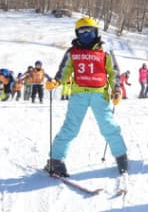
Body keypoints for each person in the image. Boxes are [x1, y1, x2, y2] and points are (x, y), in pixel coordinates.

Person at [44, 17, 128, 177]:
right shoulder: (72, 51)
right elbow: (64, 70)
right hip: (79, 94)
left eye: (89, 31)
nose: (86, 34)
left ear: (96, 31)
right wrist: (56, 81)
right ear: (77, 33)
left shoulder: (105, 51)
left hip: (99, 94)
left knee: (109, 126)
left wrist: (116, 89)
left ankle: (121, 156)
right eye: (82, 31)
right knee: (70, 128)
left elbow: (113, 72)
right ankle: (55, 160)